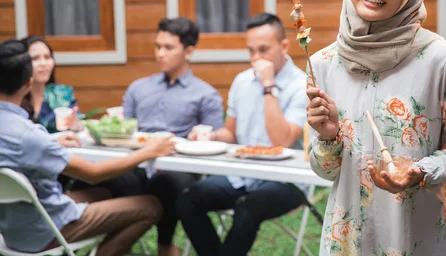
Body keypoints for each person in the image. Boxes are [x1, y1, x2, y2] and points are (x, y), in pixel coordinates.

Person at [306, 0, 446, 255]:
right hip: (350, 238)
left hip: (418, 232)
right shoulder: (323, 64)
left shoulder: (439, 59)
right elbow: (324, 170)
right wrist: (328, 138)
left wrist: (420, 172)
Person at [0, 38, 176, 256]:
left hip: (11, 230)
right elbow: (93, 173)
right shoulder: (30, 136)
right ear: (28, 83)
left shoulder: (25, 135)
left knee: (105, 192)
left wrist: (51, 141)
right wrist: (149, 152)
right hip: (45, 230)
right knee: (150, 206)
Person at [177, 13, 307, 256]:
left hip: (286, 181)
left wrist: (269, 86)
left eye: (263, 50)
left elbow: (283, 140)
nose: (256, 58)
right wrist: (211, 136)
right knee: (188, 199)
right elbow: (230, 133)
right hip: (242, 175)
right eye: (251, 51)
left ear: (284, 46)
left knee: (248, 206)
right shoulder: (242, 81)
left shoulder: (302, 85)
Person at [100, 17, 224, 256]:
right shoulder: (138, 88)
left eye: (168, 47)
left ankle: (164, 246)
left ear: (188, 52)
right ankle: (111, 242)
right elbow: (126, 132)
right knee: (109, 176)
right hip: (136, 163)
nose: (160, 54)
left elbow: (213, 143)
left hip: (178, 169)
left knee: (169, 181)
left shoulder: (206, 95)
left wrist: (203, 136)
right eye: (158, 46)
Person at [20, 36, 80, 134]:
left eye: (47, 57)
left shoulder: (62, 93)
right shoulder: (14, 96)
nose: (43, 63)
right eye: (35, 58)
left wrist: (77, 125)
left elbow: (79, 127)